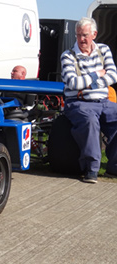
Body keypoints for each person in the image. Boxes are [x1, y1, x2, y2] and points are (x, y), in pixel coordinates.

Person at [60, 17, 117, 183]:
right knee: (90, 122)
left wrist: (88, 83)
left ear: (94, 34)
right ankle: (91, 169)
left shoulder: (104, 50)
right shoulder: (68, 56)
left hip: (103, 101)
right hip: (78, 102)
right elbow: (73, 83)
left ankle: (114, 168)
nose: (81, 39)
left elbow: (113, 75)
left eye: (84, 35)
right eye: (78, 35)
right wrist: (97, 74)